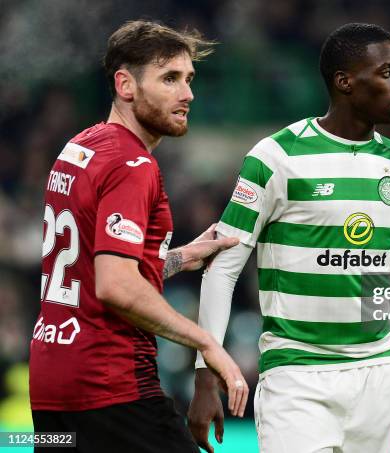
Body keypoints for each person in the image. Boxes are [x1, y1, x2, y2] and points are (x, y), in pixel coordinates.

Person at [188, 23, 390, 453]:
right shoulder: (275, 157)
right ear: (345, 81)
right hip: (295, 376)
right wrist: (205, 375)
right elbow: (222, 271)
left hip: (378, 376)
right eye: (387, 73)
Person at [29, 20, 249, 453]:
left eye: (188, 79)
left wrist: (180, 257)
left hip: (53, 380)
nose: (187, 94)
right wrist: (207, 343)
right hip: (110, 384)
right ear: (125, 85)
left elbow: (89, 266)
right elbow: (114, 286)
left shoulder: (79, 148)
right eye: (169, 79)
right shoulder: (133, 165)